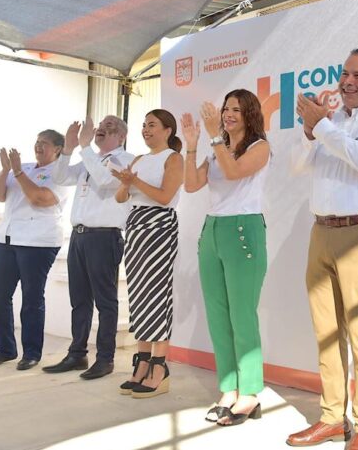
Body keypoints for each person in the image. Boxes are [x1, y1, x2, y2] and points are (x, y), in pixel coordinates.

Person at [287, 49, 358, 450]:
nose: (348, 81)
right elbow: (297, 167)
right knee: (326, 333)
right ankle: (332, 418)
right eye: (344, 74)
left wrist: (321, 127)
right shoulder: (330, 122)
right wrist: (308, 130)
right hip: (321, 233)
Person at [180, 89, 270, 426]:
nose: (229, 114)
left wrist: (214, 136)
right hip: (213, 230)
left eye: (236, 109)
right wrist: (192, 145)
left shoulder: (260, 147)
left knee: (242, 314)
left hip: (243, 231)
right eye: (225, 108)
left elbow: (234, 173)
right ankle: (228, 390)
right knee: (218, 314)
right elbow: (191, 186)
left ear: (250, 114)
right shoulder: (218, 150)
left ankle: (249, 393)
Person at [44, 115, 134, 379]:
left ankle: (105, 358)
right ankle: (77, 354)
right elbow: (60, 177)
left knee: (105, 301)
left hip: (104, 237)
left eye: (111, 127)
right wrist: (69, 149)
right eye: (101, 126)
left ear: (122, 137)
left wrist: (84, 148)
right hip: (79, 236)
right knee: (80, 299)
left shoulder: (125, 160)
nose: (103, 129)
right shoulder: (88, 158)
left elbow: (108, 181)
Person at [112, 109, 183, 398]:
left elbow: (166, 197)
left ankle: (159, 365)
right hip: (137, 227)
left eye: (152, 125)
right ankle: (141, 362)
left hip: (159, 227)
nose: (146, 130)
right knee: (139, 294)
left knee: (157, 294)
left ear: (168, 130)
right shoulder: (139, 160)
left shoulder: (173, 158)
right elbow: (120, 197)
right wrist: (127, 182)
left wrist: (135, 182)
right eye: (144, 125)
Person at [0, 130, 68, 370]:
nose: (38, 146)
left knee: (31, 298)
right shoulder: (22, 168)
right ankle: (5, 349)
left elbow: (38, 198)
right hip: (7, 239)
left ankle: (31, 352)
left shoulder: (60, 174)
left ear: (58, 149)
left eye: (45, 143)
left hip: (38, 242)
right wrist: (5, 170)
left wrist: (18, 172)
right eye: (37, 142)